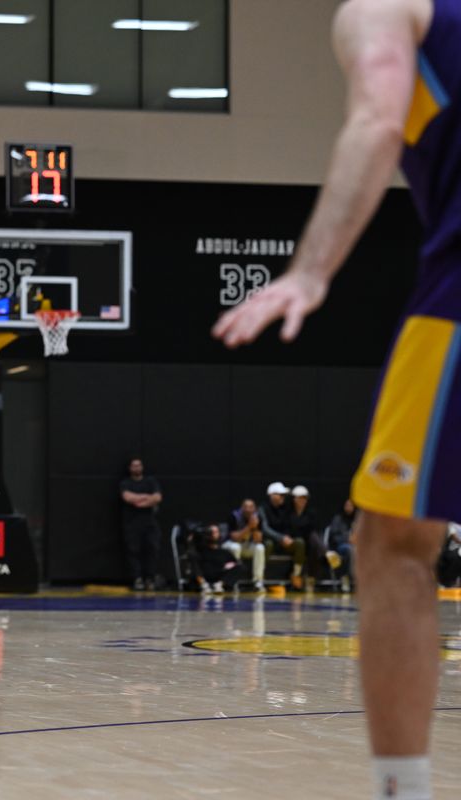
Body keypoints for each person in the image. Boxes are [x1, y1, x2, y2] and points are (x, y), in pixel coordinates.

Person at [212, 1, 444, 794]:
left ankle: (401, 788)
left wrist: (310, 270)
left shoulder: (389, 9)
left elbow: (380, 117)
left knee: (395, 546)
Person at [119, 457, 163, 590]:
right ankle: (137, 578)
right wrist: (147, 498)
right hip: (132, 523)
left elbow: (157, 498)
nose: (136, 468)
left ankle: (150, 578)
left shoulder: (150, 481)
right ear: (130, 468)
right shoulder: (125, 483)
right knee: (133, 550)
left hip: (149, 522)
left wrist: (140, 499)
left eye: (139, 465)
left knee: (152, 548)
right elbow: (128, 498)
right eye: (134, 466)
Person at [257, 482, 308, 589]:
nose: (283, 497)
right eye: (281, 495)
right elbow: (265, 529)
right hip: (271, 541)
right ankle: (260, 577)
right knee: (268, 544)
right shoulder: (262, 508)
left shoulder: (286, 508)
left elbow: (290, 526)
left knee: (299, 542)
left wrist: (288, 537)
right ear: (272, 495)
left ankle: (296, 574)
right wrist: (280, 538)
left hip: (285, 542)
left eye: (284, 495)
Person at [225, 498, 268, 592]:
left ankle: (258, 581)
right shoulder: (234, 516)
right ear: (242, 508)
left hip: (247, 546)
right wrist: (249, 527)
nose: (248, 509)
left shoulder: (258, 517)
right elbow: (235, 538)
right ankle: (233, 581)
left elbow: (258, 539)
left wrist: (255, 527)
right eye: (246, 507)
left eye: (251, 507)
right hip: (230, 545)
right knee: (235, 547)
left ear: (255, 509)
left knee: (260, 547)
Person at [289, 486, 325, 590]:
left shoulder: (311, 513)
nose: (302, 501)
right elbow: (290, 530)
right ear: (294, 499)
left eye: (304, 498)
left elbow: (313, 529)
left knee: (313, 543)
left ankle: (310, 578)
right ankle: (326, 552)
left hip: (309, 544)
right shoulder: (288, 512)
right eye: (300, 498)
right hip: (293, 543)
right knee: (308, 543)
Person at [326, 498, 358, 593]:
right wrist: (347, 539)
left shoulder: (357, 520)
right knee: (349, 550)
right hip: (340, 546)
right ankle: (345, 578)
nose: (349, 507)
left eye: (351, 506)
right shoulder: (338, 519)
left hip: (356, 546)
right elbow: (334, 536)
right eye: (347, 505)